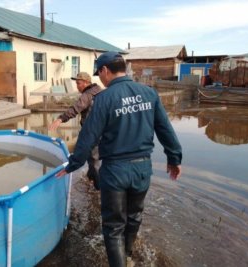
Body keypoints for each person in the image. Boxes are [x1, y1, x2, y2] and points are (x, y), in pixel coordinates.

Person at [56, 52, 182, 267]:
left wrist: (72, 165)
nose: (100, 79)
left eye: (99, 74)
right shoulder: (148, 93)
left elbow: (88, 137)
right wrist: (174, 158)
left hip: (115, 171)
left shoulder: (104, 98)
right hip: (142, 168)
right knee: (133, 217)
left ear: (105, 70)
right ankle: (129, 256)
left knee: (113, 227)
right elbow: (165, 129)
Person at [49, 72, 102, 190]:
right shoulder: (100, 91)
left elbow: (76, 108)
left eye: (78, 83)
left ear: (86, 83)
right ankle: (91, 180)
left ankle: (99, 189)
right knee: (95, 158)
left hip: (92, 133)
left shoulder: (87, 94)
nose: (77, 86)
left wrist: (61, 119)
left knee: (94, 160)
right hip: (102, 131)